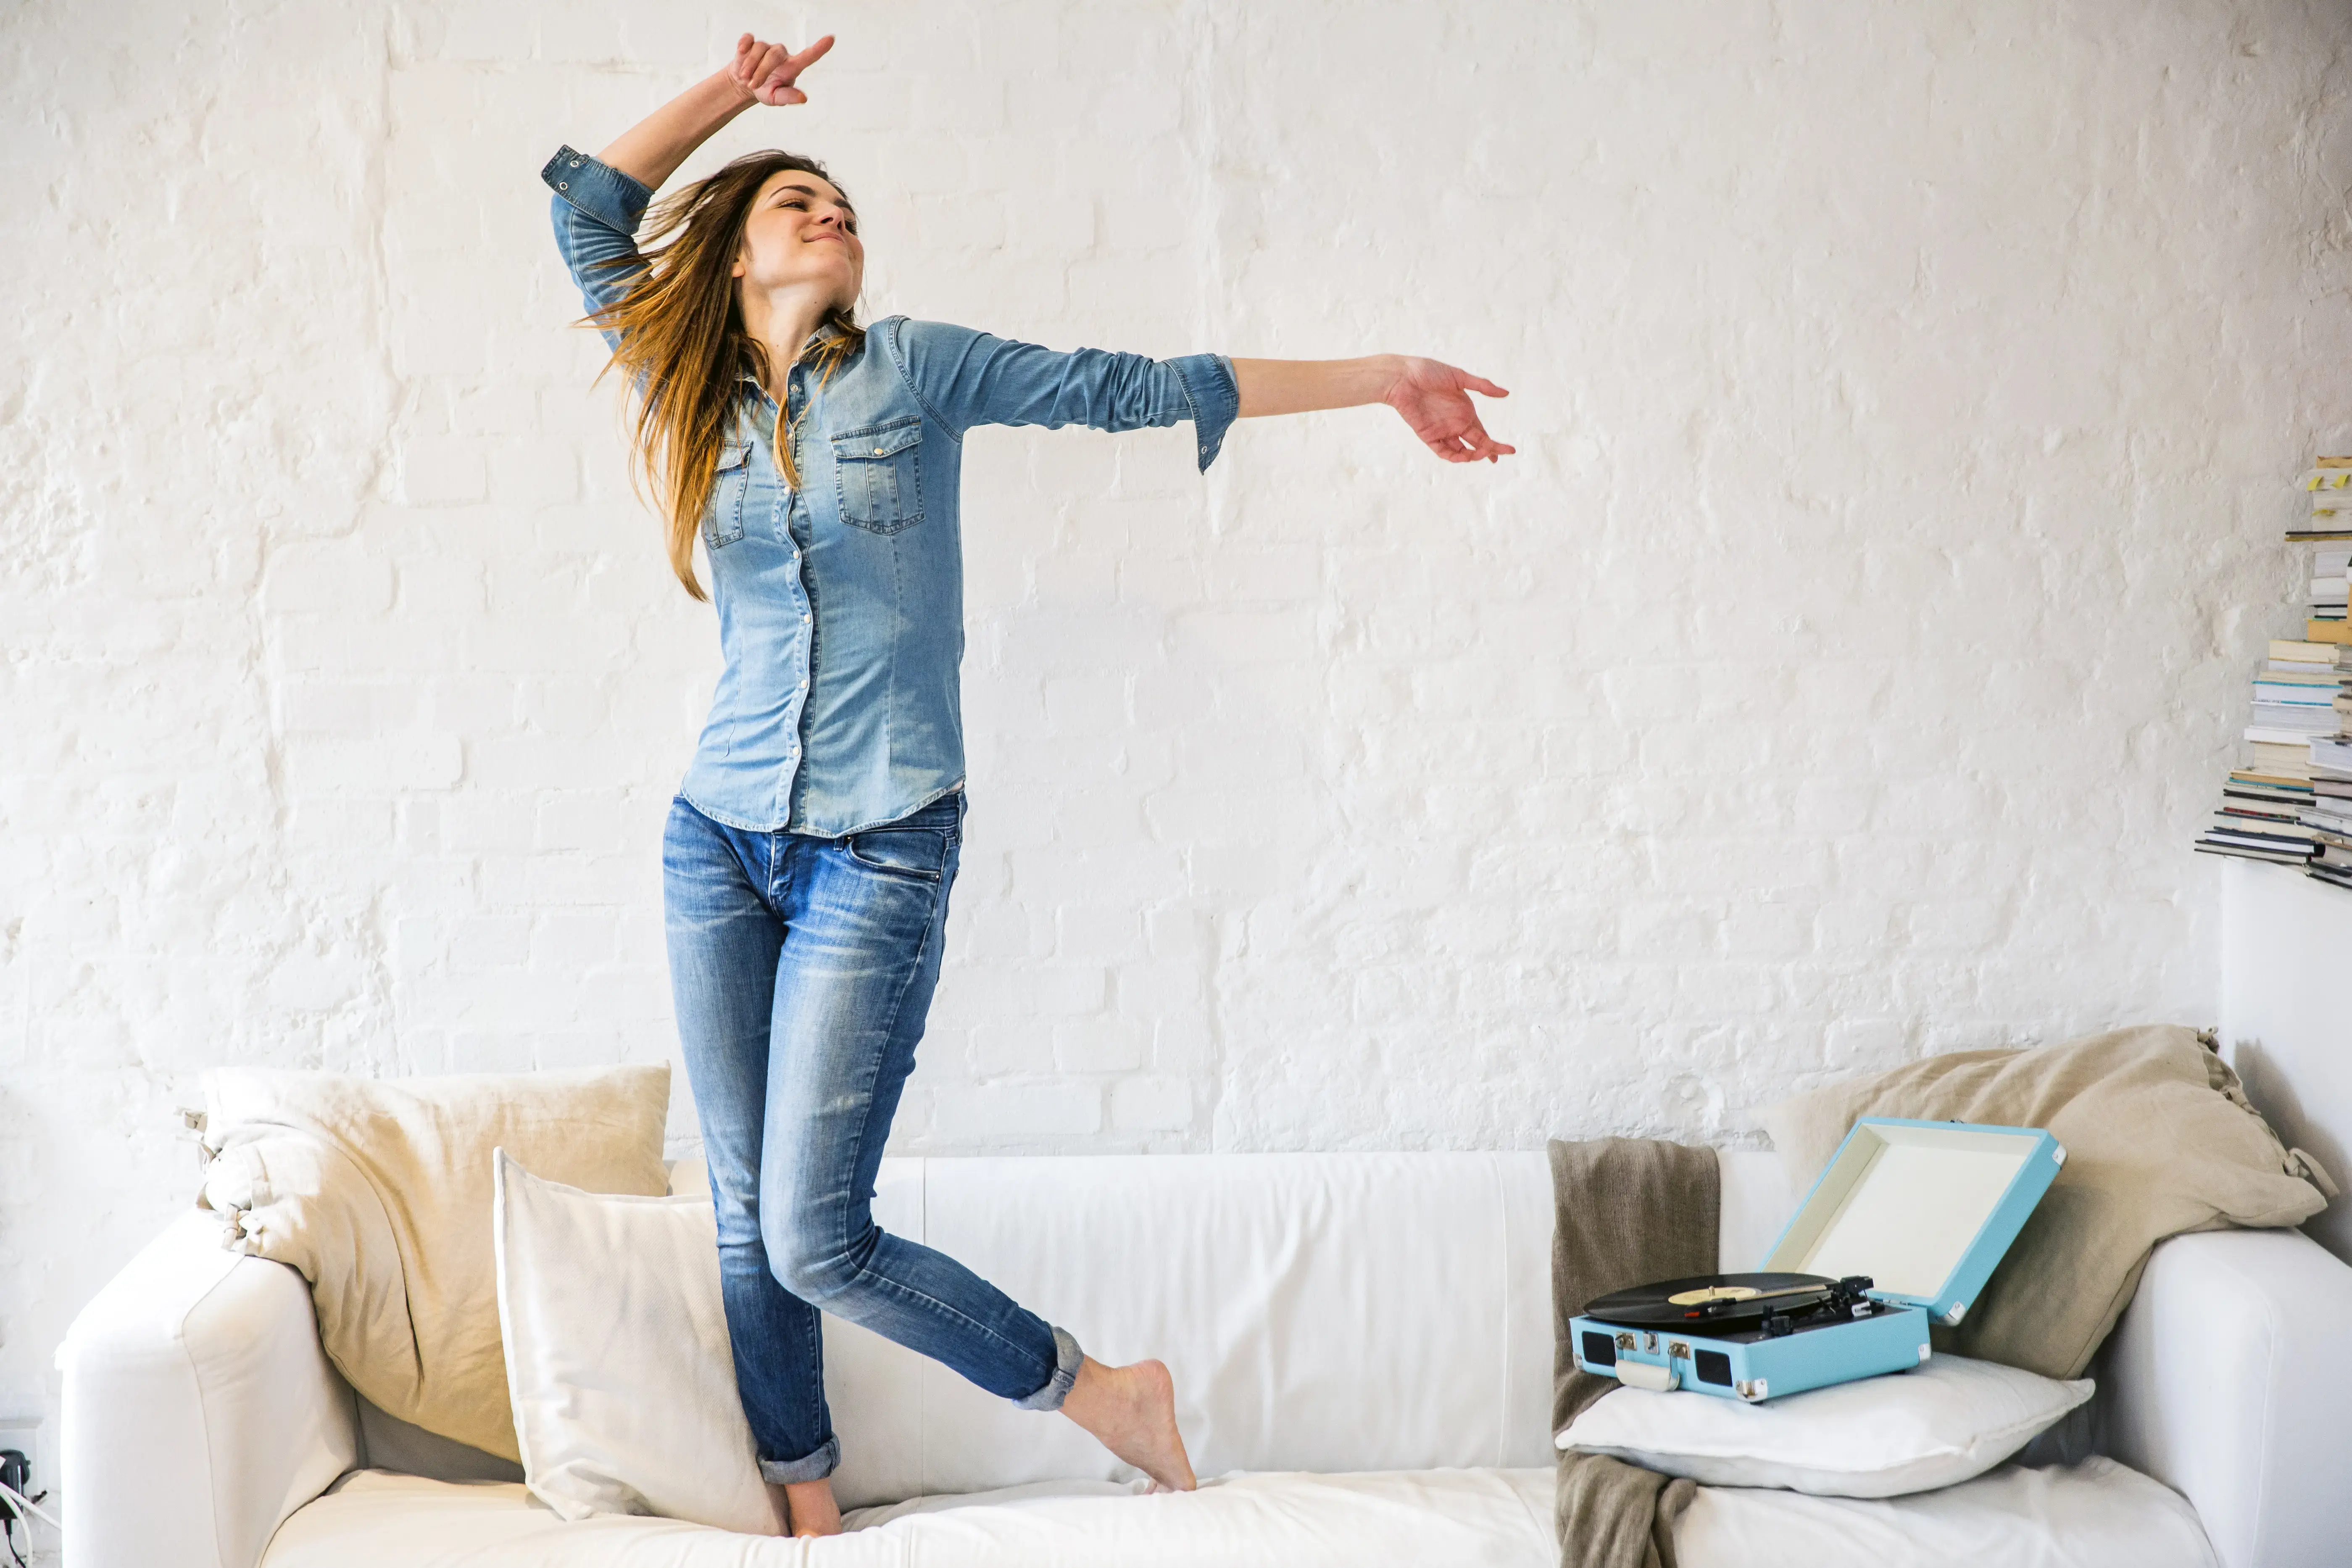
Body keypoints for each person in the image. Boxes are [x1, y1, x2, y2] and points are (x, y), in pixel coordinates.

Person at [541, 29, 1515, 1539]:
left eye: (840, 201)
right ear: (733, 254)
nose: (830, 212)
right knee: (741, 1215)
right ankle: (807, 1506)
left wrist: (1384, 375)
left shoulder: (918, 368)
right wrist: (737, 99)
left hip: (880, 844)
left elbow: (1134, 386)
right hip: (715, 838)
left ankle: (1100, 1393)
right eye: (794, 201)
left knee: (812, 1233)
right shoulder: (691, 385)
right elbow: (587, 209)